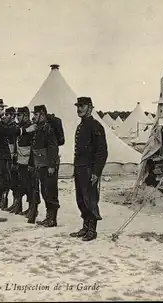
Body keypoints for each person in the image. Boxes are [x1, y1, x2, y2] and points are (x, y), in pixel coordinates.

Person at [0, 98, 36, 225]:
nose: (2, 111)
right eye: (0, 108)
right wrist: (25, 130)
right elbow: (5, 131)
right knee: (1, 184)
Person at [70, 97, 108, 241]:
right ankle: (85, 227)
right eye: (78, 106)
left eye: (83, 106)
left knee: (90, 199)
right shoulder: (81, 126)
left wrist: (96, 172)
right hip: (80, 168)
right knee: (81, 199)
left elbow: (102, 152)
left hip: (89, 169)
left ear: (90, 108)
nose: (79, 109)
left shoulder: (96, 126)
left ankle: (92, 230)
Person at [29, 105, 60, 226]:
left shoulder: (48, 129)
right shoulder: (39, 128)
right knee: (45, 191)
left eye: (36, 114)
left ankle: (52, 218)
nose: (34, 117)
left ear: (42, 115)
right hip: (41, 164)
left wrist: (52, 165)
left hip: (48, 165)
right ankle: (48, 216)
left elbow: (53, 148)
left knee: (51, 191)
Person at [7, 106, 37, 215]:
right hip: (20, 161)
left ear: (26, 115)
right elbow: (16, 145)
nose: (17, 117)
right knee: (21, 184)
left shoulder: (31, 128)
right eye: (16, 115)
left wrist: (32, 163)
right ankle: (20, 206)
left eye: (19, 115)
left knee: (31, 186)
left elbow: (34, 147)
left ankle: (32, 209)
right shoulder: (20, 128)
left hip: (28, 162)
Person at [0, 106, 18, 210]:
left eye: (7, 115)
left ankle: (15, 203)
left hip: (12, 156)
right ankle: (3, 200)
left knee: (14, 180)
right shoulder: (4, 127)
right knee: (4, 179)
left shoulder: (14, 127)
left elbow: (15, 143)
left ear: (12, 116)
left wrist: (14, 156)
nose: (5, 117)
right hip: (5, 156)